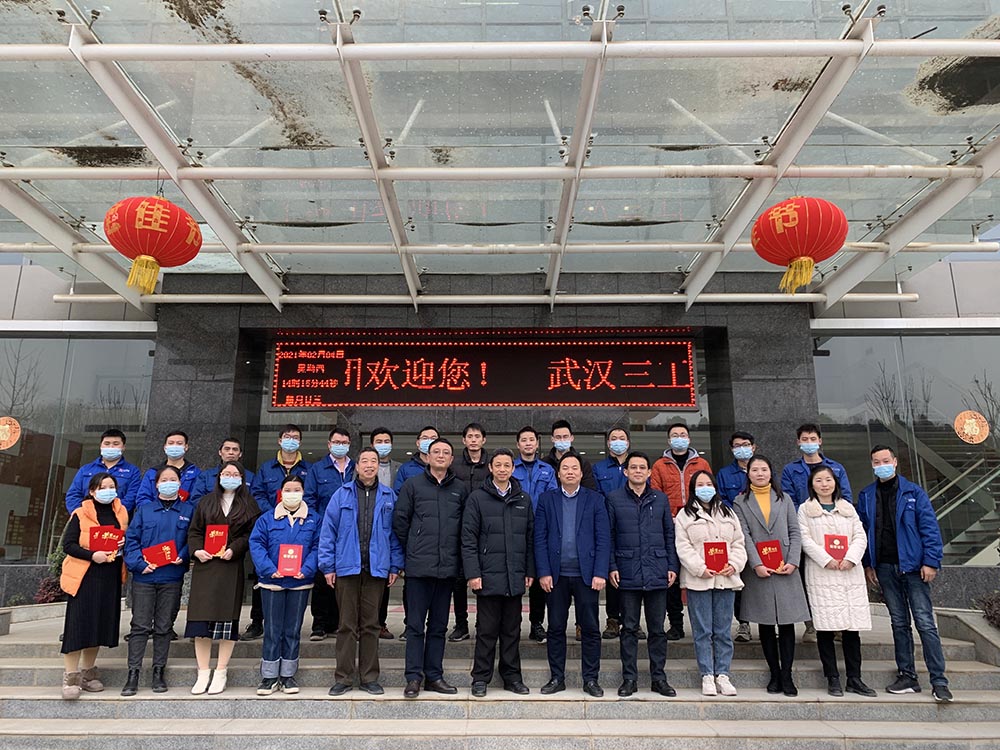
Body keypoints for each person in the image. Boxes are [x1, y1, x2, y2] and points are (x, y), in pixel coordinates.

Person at [858, 445, 952, 702]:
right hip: (884, 567)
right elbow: (863, 532)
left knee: (924, 622)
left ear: (895, 461)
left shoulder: (913, 492)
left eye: (885, 460)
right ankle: (907, 676)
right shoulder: (867, 495)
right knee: (899, 623)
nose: (881, 465)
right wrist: (868, 564)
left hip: (914, 567)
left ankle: (939, 681)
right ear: (872, 465)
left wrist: (931, 561)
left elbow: (929, 528)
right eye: (876, 462)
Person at [323, 448, 404, 696]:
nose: (369, 465)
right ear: (356, 467)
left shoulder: (389, 496)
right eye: (365, 461)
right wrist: (327, 566)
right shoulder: (341, 494)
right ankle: (344, 677)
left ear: (379, 466)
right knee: (346, 625)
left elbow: (395, 535)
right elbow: (328, 532)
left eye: (374, 461)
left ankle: (369, 677)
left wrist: (394, 565)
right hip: (346, 568)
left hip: (376, 569)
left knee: (371, 625)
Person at [392, 438, 467, 698]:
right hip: (418, 568)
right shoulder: (412, 485)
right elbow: (400, 521)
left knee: (438, 626)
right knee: (415, 626)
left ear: (451, 459)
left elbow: (465, 528)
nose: (441, 456)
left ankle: (434, 676)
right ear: (427, 456)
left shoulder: (460, 489)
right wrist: (414, 548)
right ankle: (413, 677)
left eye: (446, 452)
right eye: (436, 452)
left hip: (447, 569)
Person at [732, 455, 810, 696]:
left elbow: (795, 531)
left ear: (770, 472)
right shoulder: (740, 501)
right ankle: (774, 673)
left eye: (764, 469)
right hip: (759, 569)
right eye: (755, 470)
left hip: (785, 566)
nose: (759, 473)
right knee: (765, 623)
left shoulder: (784, 498)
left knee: (787, 623)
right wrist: (755, 563)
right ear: (748, 474)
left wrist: (793, 561)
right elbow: (744, 535)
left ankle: (787, 675)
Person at [535, 453, 610, 697]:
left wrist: (600, 572)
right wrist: (543, 572)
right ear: (558, 473)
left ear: (580, 473)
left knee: (590, 628)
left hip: (587, 576)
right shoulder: (547, 499)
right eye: (565, 468)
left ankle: (591, 679)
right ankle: (557, 677)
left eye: (574, 468)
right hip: (556, 576)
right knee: (556, 628)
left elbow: (603, 538)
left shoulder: (595, 499)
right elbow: (539, 538)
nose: (569, 472)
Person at [799, 465, 876, 698]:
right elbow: (804, 539)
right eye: (819, 480)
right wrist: (826, 559)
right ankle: (832, 677)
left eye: (828, 480)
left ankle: (855, 678)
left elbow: (860, 536)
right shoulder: (805, 510)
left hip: (849, 573)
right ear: (812, 485)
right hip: (822, 573)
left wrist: (851, 558)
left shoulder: (847, 508)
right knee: (825, 628)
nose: (824, 484)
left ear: (836, 483)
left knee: (852, 629)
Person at [462, 448, 534, 697]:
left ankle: (512, 677)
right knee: (486, 630)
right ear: (490, 468)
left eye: (507, 465)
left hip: (515, 575)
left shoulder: (523, 499)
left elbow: (530, 538)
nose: (503, 469)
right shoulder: (477, 498)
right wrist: (473, 573)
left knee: (512, 630)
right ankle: (480, 678)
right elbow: (468, 539)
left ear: (513, 469)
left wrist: (529, 570)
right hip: (487, 575)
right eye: (498, 465)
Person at [608, 451, 679, 698]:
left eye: (642, 467)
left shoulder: (660, 499)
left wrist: (672, 566)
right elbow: (609, 536)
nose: (637, 471)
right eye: (633, 467)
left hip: (657, 570)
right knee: (628, 628)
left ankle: (659, 678)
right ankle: (629, 678)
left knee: (657, 629)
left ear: (649, 472)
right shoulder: (614, 498)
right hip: (627, 571)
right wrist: (612, 566)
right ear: (625, 471)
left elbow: (669, 534)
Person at [185, 461, 259, 695]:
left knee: (227, 620)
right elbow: (194, 531)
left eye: (235, 474)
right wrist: (197, 550)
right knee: (201, 621)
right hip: (205, 566)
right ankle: (203, 671)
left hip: (230, 566)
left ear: (242, 478)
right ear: (218, 476)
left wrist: (234, 548)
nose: (230, 477)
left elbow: (250, 534)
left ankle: (221, 670)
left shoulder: (249, 504)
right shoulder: (206, 502)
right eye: (226, 473)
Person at [674, 470, 747, 697]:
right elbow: (683, 547)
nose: (705, 488)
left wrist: (734, 564)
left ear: (715, 487)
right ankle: (707, 674)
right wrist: (700, 568)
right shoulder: (685, 515)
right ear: (693, 489)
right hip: (699, 580)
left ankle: (723, 674)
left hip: (726, 578)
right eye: (700, 484)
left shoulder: (728, 512)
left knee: (723, 630)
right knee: (703, 630)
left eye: (708, 484)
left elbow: (739, 543)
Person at [121, 465, 193, 696]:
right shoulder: (144, 510)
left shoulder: (188, 510)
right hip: (145, 576)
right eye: (164, 480)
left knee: (164, 627)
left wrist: (183, 555)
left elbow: (192, 539)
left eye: (173, 479)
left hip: (171, 576)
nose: (169, 483)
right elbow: (131, 540)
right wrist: (139, 564)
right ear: (157, 484)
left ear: (180, 483)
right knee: (140, 625)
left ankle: (158, 671)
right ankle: (133, 673)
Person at [780, 423, 853, 643]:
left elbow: (846, 499)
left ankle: (839, 624)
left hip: (834, 533)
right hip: (806, 531)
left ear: (820, 441)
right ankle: (811, 624)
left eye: (813, 439)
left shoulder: (836, 468)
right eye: (805, 439)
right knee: (808, 580)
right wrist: (805, 521)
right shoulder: (790, 470)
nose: (809, 443)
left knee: (835, 579)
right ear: (798, 442)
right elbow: (789, 501)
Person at [59, 473, 129, 699]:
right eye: (102, 487)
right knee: (78, 625)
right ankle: (71, 676)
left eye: (111, 486)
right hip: (85, 576)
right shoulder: (80, 513)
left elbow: (124, 539)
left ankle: (88, 673)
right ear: (92, 491)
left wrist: (123, 543)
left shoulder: (121, 512)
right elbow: (68, 545)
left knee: (98, 625)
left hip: (109, 576)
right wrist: (92, 555)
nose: (108, 490)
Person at [249, 474, 320, 695]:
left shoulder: (314, 519)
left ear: (303, 492)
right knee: (272, 629)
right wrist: (269, 569)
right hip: (272, 583)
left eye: (297, 489)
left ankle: (288, 675)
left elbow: (319, 546)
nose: (292, 494)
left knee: (292, 629)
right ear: (281, 493)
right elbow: (256, 544)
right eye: (288, 490)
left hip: (300, 583)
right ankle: (269, 676)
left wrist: (306, 569)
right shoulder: (267, 519)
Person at [246, 423, 311, 640]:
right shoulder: (267, 468)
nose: (291, 440)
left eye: (295, 437)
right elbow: (257, 494)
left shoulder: (308, 468)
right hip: (273, 525)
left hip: (298, 527)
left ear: (300, 442)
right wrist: (274, 513)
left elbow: (310, 495)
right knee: (263, 575)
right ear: (279, 440)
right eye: (287, 437)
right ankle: (257, 622)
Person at [650, 422, 712, 641]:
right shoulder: (659, 465)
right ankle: (676, 623)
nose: (679, 438)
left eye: (683, 434)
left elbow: (708, 489)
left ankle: (703, 624)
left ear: (689, 439)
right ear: (669, 440)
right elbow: (656, 494)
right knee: (672, 576)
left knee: (699, 570)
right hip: (670, 524)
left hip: (698, 523)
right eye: (675, 435)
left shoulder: (701, 463)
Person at [304, 427, 356, 641]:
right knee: (322, 577)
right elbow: (309, 499)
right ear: (329, 444)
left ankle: (337, 623)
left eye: (344, 442)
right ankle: (319, 624)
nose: (340, 446)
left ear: (349, 445)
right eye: (336, 442)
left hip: (351, 533)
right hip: (325, 530)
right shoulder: (318, 469)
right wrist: (319, 525)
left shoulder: (356, 467)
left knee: (344, 579)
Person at [512, 425, 557, 644]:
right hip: (515, 529)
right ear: (518, 444)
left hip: (541, 530)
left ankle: (536, 624)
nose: (528, 443)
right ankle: (513, 624)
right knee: (515, 577)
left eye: (531, 439)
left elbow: (553, 499)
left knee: (539, 579)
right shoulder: (511, 468)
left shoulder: (547, 470)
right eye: (524, 440)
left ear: (537, 444)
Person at [448, 422, 490, 643]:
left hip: (485, 529)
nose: (473, 440)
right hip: (458, 527)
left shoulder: (491, 465)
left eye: (477, 436)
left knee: (483, 578)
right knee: (458, 580)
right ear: (464, 440)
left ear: (484, 440)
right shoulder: (454, 465)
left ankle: (483, 622)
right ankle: (461, 623)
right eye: (470, 436)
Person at [716, 431, 756, 643]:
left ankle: (768, 621)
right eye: (738, 445)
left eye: (746, 444)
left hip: (761, 533)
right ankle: (743, 623)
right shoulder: (724, 474)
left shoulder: (761, 469)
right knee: (738, 577)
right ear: (732, 449)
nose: (742, 448)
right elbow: (722, 502)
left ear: (754, 447)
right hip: (735, 532)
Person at [593, 427, 630, 640]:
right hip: (609, 526)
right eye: (614, 438)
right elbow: (597, 497)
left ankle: (631, 619)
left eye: (622, 438)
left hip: (632, 525)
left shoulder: (636, 465)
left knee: (632, 574)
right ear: (608, 443)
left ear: (628, 442)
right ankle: (613, 619)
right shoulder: (599, 468)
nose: (618, 441)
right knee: (613, 573)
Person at [65, 429, 142, 513]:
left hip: (117, 518)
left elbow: (131, 498)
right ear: (100, 446)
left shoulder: (133, 471)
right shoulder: (85, 469)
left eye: (116, 444)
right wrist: (83, 514)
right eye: (107, 443)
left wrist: (112, 515)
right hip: (86, 517)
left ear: (123, 447)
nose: (111, 447)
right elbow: (73, 495)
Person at [370, 427, 400, 639]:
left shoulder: (399, 469)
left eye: (386, 441)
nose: (383, 444)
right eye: (378, 441)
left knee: (383, 581)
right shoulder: (360, 468)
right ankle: (364, 624)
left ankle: (380, 623)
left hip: (387, 527)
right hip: (364, 527)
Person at [135, 431, 201, 508]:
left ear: (186, 447)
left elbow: (196, 499)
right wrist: (155, 511)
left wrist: (180, 511)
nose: (175, 446)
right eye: (171, 443)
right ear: (165, 447)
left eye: (179, 443)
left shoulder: (196, 473)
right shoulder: (152, 472)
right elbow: (142, 498)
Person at [190, 437, 256, 505]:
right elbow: (196, 499)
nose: (231, 452)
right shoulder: (206, 476)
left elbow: (254, 501)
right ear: (220, 452)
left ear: (240, 454)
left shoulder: (250, 477)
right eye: (227, 449)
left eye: (235, 449)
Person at [542, 419, 597, 491]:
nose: (562, 440)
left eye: (565, 436)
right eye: (558, 437)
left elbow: (589, 490)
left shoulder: (583, 463)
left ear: (571, 438)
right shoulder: (544, 464)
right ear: (552, 439)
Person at [393, 425, 439, 492]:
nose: (429, 441)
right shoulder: (406, 468)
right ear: (418, 443)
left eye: (433, 438)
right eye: (425, 438)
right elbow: (398, 493)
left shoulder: (445, 467)